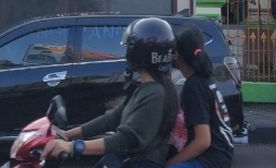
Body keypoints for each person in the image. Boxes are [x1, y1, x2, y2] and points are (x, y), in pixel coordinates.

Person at [43, 17, 180, 168]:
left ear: (139, 52)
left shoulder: (156, 94)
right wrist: (67, 134)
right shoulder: (145, 88)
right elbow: (111, 119)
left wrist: (75, 147)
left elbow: (126, 139)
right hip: (126, 160)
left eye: (129, 47)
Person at [167, 25, 234, 168]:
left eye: (173, 50)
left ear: (179, 54)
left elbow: (203, 141)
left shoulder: (194, 87)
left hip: (210, 160)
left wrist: (171, 163)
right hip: (221, 155)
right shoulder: (203, 80)